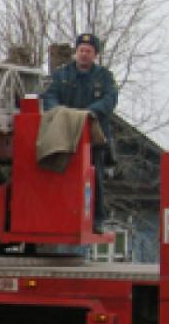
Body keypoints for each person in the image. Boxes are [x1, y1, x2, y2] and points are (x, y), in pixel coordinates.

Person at [42, 32, 119, 233]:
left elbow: (110, 100)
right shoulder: (61, 75)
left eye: (89, 51)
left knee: (95, 179)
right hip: (65, 135)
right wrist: (61, 113)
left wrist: (90, 113)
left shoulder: (105, 77)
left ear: (95, 55)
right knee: (60, 176)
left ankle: (97, 220)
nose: (84, 54)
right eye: (81, 50)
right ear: (76, 52)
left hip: (94, 138)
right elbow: (49, 97)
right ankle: (59, 216)